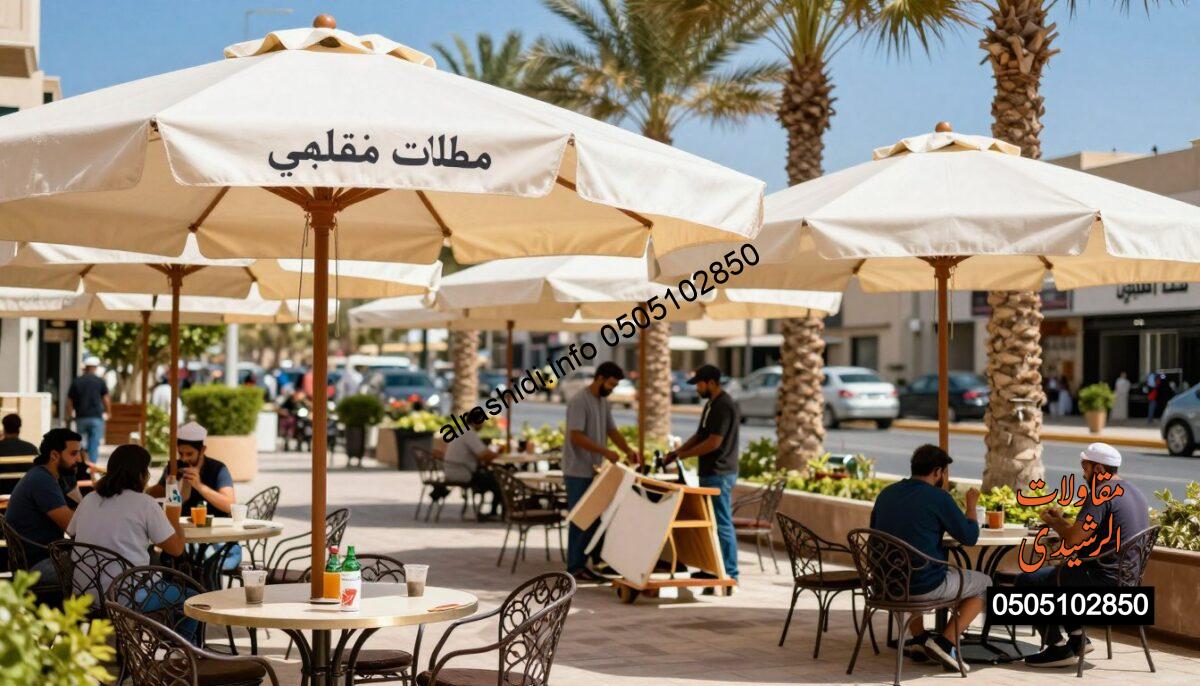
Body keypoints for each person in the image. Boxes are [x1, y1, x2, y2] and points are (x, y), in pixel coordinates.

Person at [1017, 442, 1149, 668]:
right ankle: (1078, 638)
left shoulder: (1100, 494)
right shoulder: (1133, 491)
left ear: (1098, 469)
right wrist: (1060, 522)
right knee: (1065, 573)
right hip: (1127, 581)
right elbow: (1084, 534)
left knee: (1027, 581)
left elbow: (1073, 540)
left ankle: (1057, 649)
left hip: (1102, 583)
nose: (1083, 473)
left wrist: (1052, 523)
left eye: (1086, 467)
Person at [869, 444, 987, 672]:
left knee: (908, 570)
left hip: (886, 583)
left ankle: (921, 639)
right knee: (985, 585)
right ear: (937, 472)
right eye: (944, 472)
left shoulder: (886, 493)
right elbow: (969, 537)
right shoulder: (938, 497)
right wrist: (971, 506)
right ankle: (945, 642)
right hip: (923, 586)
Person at [68, 444, 187, 611]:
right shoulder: (145, 504)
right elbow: (176, 549)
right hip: (128, 596)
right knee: (190, 600)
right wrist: (174, 517)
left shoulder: (89, 499)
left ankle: (151, 635)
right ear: (141, 474)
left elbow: (71, 532)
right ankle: (175, 638)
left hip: (86, 594)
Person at [563, 362, 639, 582]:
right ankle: (575, 567)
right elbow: (575, 436)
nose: (612, 389)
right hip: (578, 470)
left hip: (595, 471)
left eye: (615, 385)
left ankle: (596, 561)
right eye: (611, 384)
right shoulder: (579, 401)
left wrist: (628, 450)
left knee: (598, 517)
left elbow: (611, 430)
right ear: (599, 378)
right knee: (581, 519)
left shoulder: (603, 401)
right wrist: (605, 451)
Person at [665, 364, 741, 585]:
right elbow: (700, 435)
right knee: (712, 523)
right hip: (709, 472)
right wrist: (677, 453)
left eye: (699, 383)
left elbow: (713, 443)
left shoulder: (724, 406)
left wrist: (685, 454)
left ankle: (729, 572)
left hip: (720, 472)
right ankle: (713, 568)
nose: (697, 388)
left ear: (711, 383)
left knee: (722, 522)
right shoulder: (711, 405)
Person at [4, 429, 83, 583]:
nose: (79, 459)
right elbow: (74, 527)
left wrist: (72, 483)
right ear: (54, 455)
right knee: (99, 569)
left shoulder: (51, 477)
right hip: (37, 565)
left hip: (45, 557)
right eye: (73, 454)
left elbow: (78, 510)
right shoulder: (42, 481)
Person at [146, 422, 236, 515]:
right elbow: (155, 497)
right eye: (181, 454)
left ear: (202, 450)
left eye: (189, 454)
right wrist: (170, 483)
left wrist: (199, 486)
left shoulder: (218, 468)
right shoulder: (174, 466)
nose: (184, 459)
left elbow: (230, 506)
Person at [442, 413, 503, 521]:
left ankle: (495, 511)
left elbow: (481, 454)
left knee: (494, 478)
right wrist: (499, 455)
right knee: (499, 480)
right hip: (463, 473)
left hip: (453, 471)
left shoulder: (462, 431)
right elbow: (483, 454)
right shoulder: (469, 433)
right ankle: (495, 512)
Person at [68, 356, 110, 466]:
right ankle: (91, 467)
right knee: (94, 444)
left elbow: (69, 401)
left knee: (80, 443)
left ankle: (81, 464)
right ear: (95, 368)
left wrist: (69, 415)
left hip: (81, 417)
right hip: (96, 417)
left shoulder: (77, 381)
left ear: (85, 368)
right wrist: (108, 412)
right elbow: (106, 398)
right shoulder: (100, 381)